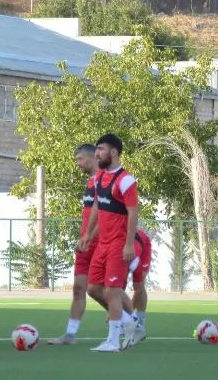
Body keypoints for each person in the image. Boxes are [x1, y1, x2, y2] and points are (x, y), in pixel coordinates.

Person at [79, 133, 140, 353]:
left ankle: (113, 342)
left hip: (118, 243)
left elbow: (133, 213)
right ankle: (128, 321)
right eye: (96, 149)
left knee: (112, 291)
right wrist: (87, 235)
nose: (97, 153)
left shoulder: (126, 180)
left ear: (113, 152)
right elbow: (97, 207)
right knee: (94, 288)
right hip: (102, 243)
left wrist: (129, 244)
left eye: (101, 149)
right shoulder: (99, 178)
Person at [50, 144, 105, 345]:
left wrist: (90, 236)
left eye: (80, 159)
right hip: (85, 243)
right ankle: (70, 335)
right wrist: (83, 237)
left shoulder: (104, 181)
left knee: (102, 290)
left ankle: (129, 321)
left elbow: (105, 216)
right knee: (78, 288)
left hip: (101, 243)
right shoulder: (90, 182)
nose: (78, 163)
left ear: (92, 158)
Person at [128, 229, 151, 341]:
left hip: (143, 243)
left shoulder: (133, 249)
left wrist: (128, 314)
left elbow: (138, 288)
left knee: (140, 283)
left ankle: (139, 323)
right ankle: (129, 321)